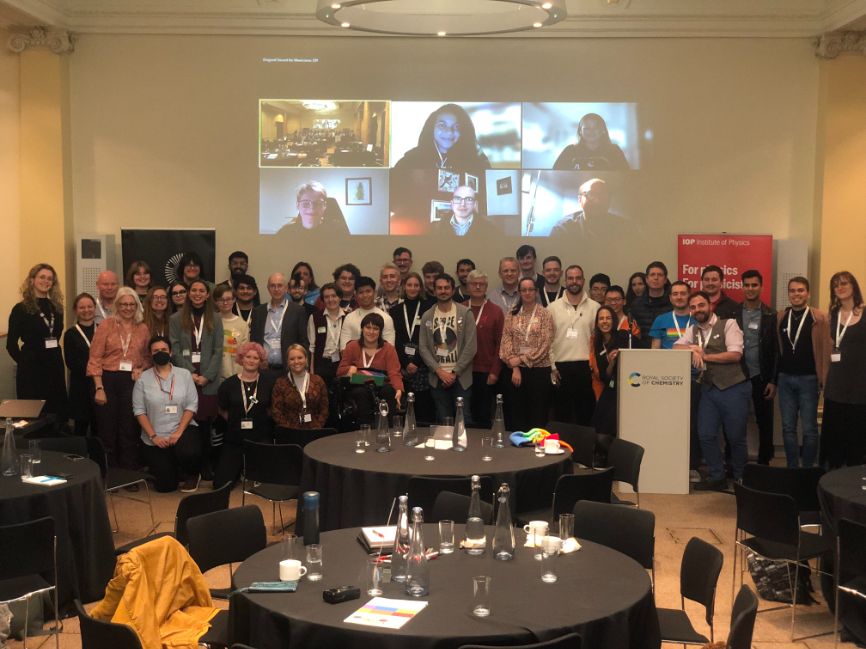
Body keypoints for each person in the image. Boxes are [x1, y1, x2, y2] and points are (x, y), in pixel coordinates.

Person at [675, 291, 749, 491]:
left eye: (701, 305)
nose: (697, 310)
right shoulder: (693, 330)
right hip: (709, 389)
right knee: (705, 434)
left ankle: (741, 478)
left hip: (733, 388)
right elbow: (675, 347)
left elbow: (735, 354)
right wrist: (692, 349)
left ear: (710, 306)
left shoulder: (729, 324)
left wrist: (704, 356)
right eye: (693, 307)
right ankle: (717, 476)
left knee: (736, 437)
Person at [87, 287, 151, 469]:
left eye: (131, 304)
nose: (128, 308)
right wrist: (99, 388)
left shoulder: (143, 328)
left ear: (137, 306)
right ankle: (110, 472)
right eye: (123, 304)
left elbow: (148, 357)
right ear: (117, 305)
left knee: (129, 428)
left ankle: (129, 471)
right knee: (107, 429)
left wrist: (141, 368)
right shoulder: (106, 325)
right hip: (107, 381)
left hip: (131, 381)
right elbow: (94, 358)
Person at [169, 279, 224, 477]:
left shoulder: (216, 318)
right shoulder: (176, 319)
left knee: (207, 424)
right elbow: (174, 349)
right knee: (189, 421)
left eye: (202, 291)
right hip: (186, 377)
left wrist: (207, 376)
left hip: (209, 380)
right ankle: (191, 464)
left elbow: (219, 350)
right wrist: (189, 373)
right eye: (194, 290)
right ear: (188, 293)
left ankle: (206, 464)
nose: (198, 294)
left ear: (207, 295)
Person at [133, 335, 201, 492]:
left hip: (182, 429)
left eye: (164, 349)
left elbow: (192, 405)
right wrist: (154, 436)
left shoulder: (184, 375)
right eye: (155, 351)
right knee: (165, 487)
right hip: (155, 436)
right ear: (150, 354)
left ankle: (191, 474)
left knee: (188, 451)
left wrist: (178, 432)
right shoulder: (142, 379)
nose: (160, 353)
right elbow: (139, 411)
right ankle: (170, 469)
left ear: (170, 352)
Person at [649, 280, 702, 480]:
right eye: (675, 294)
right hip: (667, 381)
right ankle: (667, 461)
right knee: (668, 422)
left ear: (689, 296)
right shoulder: (661, 320)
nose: (679, 297)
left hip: (695, 379)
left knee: (693, 423)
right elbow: (655, 350)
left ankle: (692, 465)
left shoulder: (698, 319)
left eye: (683, 293)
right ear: (670, 298)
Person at [775, 276, 828, 468]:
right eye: (792, 291)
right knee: (788, 428)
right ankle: (792, 469)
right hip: (785, 379)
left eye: (800, 290)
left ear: (808, 293)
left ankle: (807, 469)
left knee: (809, 428)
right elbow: (778, 349)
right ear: (788, 294)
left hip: (809, 379)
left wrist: (823, 379)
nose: (796, 294)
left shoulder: (819, 318)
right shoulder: (781, 317)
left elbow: (825, 350)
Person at [6, 263, 68, 419]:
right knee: (32, 415)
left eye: (50, 279)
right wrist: (25, 363)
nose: (46, 281)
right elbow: (11, 345)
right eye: (42, 277)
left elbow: (55, 335)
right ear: (32, 280)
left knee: (55, 411)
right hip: (32, 370)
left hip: (54, 366)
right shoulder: (20, 309)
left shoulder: (57, 308)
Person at [214, 342, 274, 488]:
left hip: (260, 437)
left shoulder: (268, 383)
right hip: (235, 437)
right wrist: (234, 421)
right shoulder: (228, 384)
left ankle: (248, 470)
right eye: (248, 357)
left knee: (268, 483)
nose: (251, 361)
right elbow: (222, 409)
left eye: (255, 358)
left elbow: (271, 409)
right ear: (241, 358)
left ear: (260, 361)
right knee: (220, 484)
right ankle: (240, 469)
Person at [419, 274, 478, 424]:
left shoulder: (465, 313)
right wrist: (439, 372)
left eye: (446, 288)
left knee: (463, 420)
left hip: (461, 377)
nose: (443, 291)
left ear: (453, 290)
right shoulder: (427, 316)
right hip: (437, 378)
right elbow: (423, 347)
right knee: (443, 422)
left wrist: (454, 373)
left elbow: (471, 346)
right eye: (439, 288)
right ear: (434, 291)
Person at [821, 271, 866, 468]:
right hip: (836, 386)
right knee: (835, 441)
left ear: (854, 286)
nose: (839, 288)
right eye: (835, 285)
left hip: (860, 387)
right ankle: (833, 480)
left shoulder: (865, 312)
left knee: (857, 440)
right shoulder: (832, 315)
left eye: (844, 283)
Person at [499, 277, 555, 432]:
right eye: (524, 290)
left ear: (536, 292)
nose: (528, 293)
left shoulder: (545, 314)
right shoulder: (512, 313)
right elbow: (506, 340)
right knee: (516, 414)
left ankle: (535, 446)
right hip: (514, 373)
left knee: (537, 416)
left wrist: (521, 359)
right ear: (519, 292)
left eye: (531, 289)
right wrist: (514, 366)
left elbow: (544, 344)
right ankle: (516, 446)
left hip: (538, 372)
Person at [734, 270, 777, 465]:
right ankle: (735, 463)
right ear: (742, 287)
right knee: (735, 421)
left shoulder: (771, 315)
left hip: (761, 376)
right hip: (737, 376)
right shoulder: (732, 313)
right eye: (747, 285)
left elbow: (776, 351)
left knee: (764, 421)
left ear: (761, 287)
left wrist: (773, 380)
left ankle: (764, 462)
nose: (750, 289)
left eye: (754, 285)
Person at [549, 264, 599, 425]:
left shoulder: (595, 307)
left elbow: (598, 340)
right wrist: (552, 367)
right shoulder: (552, 308)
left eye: (578, 278)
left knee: (585, 416)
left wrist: (594, 367)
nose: (574, 281)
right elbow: (547, 341)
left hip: (586, 368)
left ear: (583, 280)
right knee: (562, 417)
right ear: (565, 280)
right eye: (570, 278)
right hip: (560, 369)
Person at [337, 313, 404, 425]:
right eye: (368, 327)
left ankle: (389, 429)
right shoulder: (352, 346)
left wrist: (398, 389)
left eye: (375, 329)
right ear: (362, 329)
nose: (371, 332)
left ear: (380, 331)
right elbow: (339, 371)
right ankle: (365, 430)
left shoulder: (388, 349)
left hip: (381, 385)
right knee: (361, 393)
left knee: (389, 391)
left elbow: (394, 373)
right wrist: (349, 369)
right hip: (358, 386)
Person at [393, 103, 491, 171]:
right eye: (442, 125)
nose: (449, 131)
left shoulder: (476, 160)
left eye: (456, 127)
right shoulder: (412, 159)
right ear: (431, 128)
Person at [392, 272, 435, 424]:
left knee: (423, 407)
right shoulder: (395, 310)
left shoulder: (429, 308)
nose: (412, 288)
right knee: (405, 408)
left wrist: (416, 362)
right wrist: (406, 363)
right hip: (402, 364)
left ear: (421, 288)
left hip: (422, 363)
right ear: (404, 287)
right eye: (409, 285)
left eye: (416, 285)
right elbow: (395, 340)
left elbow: (430, 338)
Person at [250, 272, 309, 374]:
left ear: (286, 288)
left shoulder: (297, 311)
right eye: (273, 286)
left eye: (280, 285)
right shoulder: (258, 312)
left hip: (290, 369)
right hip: (264, 369)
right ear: (268, 288)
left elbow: (303, 341)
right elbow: (253, 342)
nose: (276, 289)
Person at [466, 269, 504, 428]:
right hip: (463, 371)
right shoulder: (460, 308)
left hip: (486, 371)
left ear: (486, 287)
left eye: (481, 284)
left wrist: (495, 371)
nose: (477, 287)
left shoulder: (496, 311)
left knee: (483, 415)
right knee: (465, 414)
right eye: (474, 284)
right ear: (467, 286)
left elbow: (501, 344)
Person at [589, 306, 629, 437]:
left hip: (626, 385)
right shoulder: (597, 343)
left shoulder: (623, 336)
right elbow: (604, 376)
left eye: (608, 318)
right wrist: (611, 363)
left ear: (614, 321)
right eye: (601, 319)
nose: (605, 321)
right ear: (597, 323)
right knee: (598, 421)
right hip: (610, 385)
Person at [272, 344, 329, 430]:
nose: (296, 362)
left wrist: (317, 427)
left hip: (315, 431)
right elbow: (276, 411)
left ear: (306, 359)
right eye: (292, 359)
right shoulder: (280, 383)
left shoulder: (318, 381)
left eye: (300, 358)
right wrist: (290, 430)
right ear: (287, 362)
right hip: (289, 432)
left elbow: (324, 408)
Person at [64, 292, 97, 436]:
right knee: (80, 430)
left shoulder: (103, 329)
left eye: (89, 306)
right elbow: (71, 362)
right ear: (76, 310)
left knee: (99, 428)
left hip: (100, 386)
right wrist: (93, 370)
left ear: (95, 308)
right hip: (81, 387)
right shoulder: (70, 334)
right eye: (82, 307)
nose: (86, 310)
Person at [550, 179, 624, 240]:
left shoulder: (623, 227)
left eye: (603, 195)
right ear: (579, 199)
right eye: (591, 194)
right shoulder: (564, 228)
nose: (597, 201)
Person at [552, 112, 630, 171]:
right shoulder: (570, 151)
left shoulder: (614, 151)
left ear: (603, 130)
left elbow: (625, 175)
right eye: (586, 128)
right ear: (580, 131)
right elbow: (556, 173)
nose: (591, 132)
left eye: (595, 128)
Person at [339, 277, 396, 350]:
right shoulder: (349, 318)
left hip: (380, 357)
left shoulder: (386, 318)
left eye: (368, 291)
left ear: (375, 293)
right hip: (354, 357)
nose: (365, 295)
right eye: (361, 292)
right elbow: (344, 349)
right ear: (356, 295)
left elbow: (390, 348)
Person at [276, 181, 349, 236]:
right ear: (298, 206)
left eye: (317, 203)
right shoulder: (285, 233)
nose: (312, 208)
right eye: (306, 203)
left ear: (324, 206)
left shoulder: (338, 232)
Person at [213, 283, 249, 380]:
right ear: (216, 302)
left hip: (236, 376)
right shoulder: (211, 322)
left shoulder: (242, 325)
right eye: (221, 300)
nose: (225, 303)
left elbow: (244, 354)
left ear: (234, 299)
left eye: (228, 299)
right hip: (214, 376)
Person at [630, 261, 672, 340]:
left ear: (665, 280)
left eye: (660, 275)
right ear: (646, 279)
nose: (656, 278)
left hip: (667, 346)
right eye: (652, 275)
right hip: (642, 347)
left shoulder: (672, 303)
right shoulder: (636, 304)